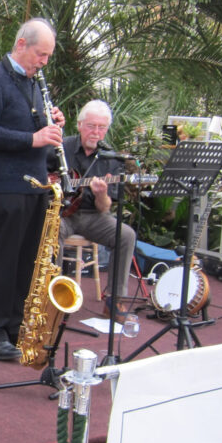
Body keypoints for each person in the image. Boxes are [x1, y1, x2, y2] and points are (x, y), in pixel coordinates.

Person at [0, 18, 65, 361]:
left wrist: (51, 125)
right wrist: (33, 138)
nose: (43, 62)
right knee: (4, 261)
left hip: (37, 184)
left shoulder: (34, 84)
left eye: (48, 56)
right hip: (7, 186)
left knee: (27, 262)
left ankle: (15, 328)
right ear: (21, 44)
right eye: (40, 54)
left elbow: (32, 129)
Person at [57, 100, 137, 309]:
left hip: (92, 215)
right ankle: (53, 294)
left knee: (126, 234)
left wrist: (101, 194)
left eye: (101, 128)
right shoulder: (61, 148)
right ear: (80, 125)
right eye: (91, 126)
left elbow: (104, 209)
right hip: (63, 213)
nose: (96, 132)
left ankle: (114, 301)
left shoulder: (112, 159)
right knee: (51, 231)